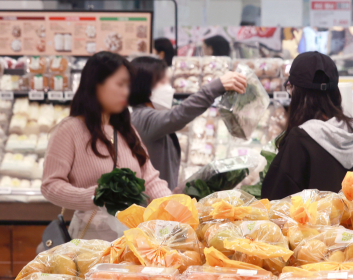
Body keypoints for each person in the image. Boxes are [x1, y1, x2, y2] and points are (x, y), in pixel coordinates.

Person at [41, 52, 172, 241]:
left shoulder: (127, 130)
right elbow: (50, 185)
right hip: (90, 242)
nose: (126, 92)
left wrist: (173, 206)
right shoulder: (69, 130)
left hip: (132, 238)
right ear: (96, 84)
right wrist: (95, 196)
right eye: (120, 84)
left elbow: (149, 179)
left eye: (128, 85)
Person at [261, 51, 353, 200]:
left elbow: (276, 201)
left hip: (311, 223)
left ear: (298, 93)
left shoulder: (300, 140)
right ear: (335, 92)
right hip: (351, 223)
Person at [129, 57, 247, 189]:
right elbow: (178, 115)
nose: (170, 88)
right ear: (145, 86)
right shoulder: (141, 118)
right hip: (151, 205)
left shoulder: (146, 117)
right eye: (162, 82)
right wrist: (216, 87)